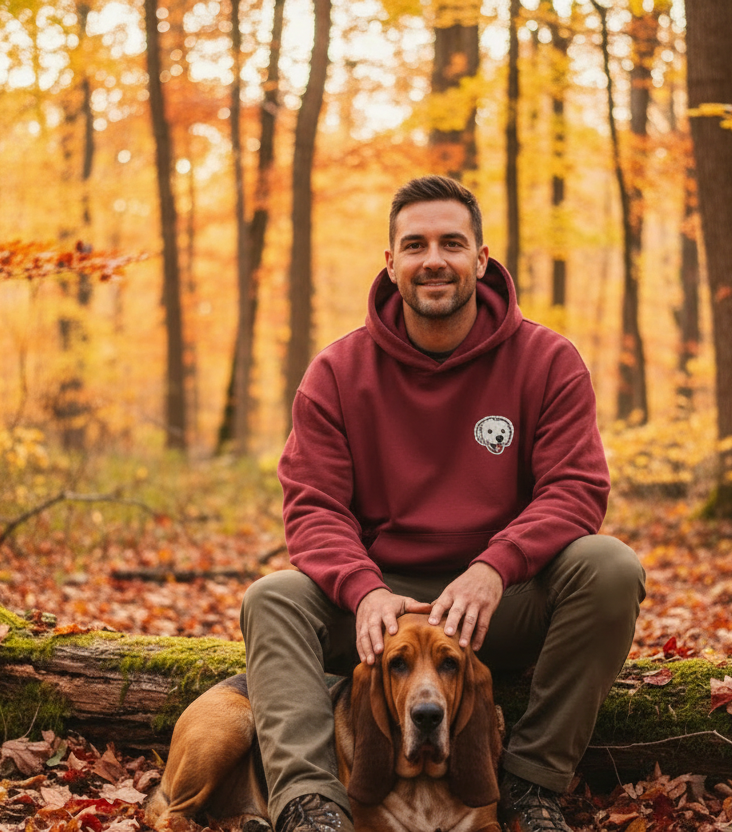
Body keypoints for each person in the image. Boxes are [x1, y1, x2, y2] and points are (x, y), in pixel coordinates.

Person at [240, 175, 646, 832]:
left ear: (481, 260)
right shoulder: (337, 373)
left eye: (452, 243)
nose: (434, 259)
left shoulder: (547, 360)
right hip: (382, 605)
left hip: (499, 601)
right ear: (392, 261)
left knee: (611, 567)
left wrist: (497, 566)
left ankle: (529, 785)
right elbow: (313, 508)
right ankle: (311, 803)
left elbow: (576, 489)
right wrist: (364, 589)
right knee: (272, 598)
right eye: (416, 244)